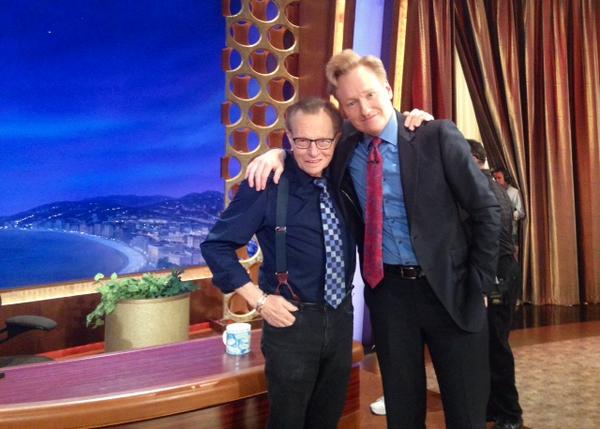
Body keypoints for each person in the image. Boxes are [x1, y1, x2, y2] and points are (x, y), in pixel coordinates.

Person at [245, 49, 501, 429]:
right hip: (389, 295)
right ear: (342, 109)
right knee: (402, 410)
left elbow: (487, 211)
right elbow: (311, 146)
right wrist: (277, 154)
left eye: (370, 94)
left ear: (388, 89)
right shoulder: (346, 147)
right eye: (351, 102)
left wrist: (479, 282)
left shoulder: (436, 136)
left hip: (452, 288)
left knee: (465, 411)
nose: (364, 109)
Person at [201, 97, 356, 429]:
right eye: (302, 141)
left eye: (323, 141)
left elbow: (378, 127)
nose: (313, 151)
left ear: (336, 140)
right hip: (291, 323)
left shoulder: (344, 179)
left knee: (328, 420)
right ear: (289, 138)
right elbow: (216, 247)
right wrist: (258, 301)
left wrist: (418, 119)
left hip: (341, 319)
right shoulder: (267, 185)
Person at [469, 140, 524, 429]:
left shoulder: (481, 186)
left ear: (472, 158)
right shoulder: (490, 185)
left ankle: (509, 413)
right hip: (500, 272)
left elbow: (489, 241)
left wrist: (486, 284)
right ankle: (494, 407)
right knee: (490, 345)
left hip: (497, 275)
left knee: (496, 345)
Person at [492, 167, 525, 254]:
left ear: (506, 178)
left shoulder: (514, 192)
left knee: (511, 254)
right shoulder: (493, 192)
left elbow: (521, 212)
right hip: (497, 231)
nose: (496, 181)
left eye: (499, 178)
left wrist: (509, 215)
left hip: (510, 231)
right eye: (495, 178)